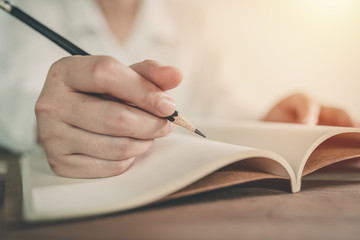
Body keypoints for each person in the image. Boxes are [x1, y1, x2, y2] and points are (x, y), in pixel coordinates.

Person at [0, 0, 356, 178]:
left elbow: (218, 100)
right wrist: (46, 123)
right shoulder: (33, 7)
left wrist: (267, 119)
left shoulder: (189, 14)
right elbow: (17, 94)